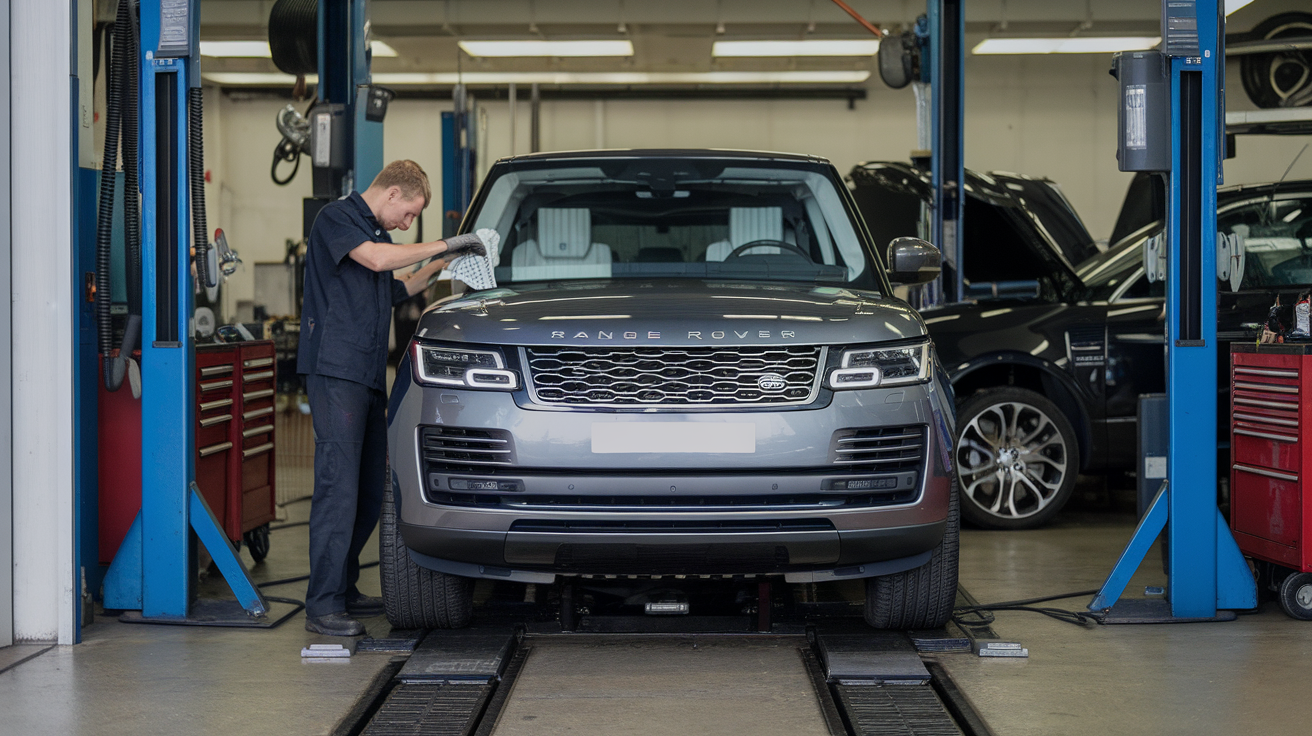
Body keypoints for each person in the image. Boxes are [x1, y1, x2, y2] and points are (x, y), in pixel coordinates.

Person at [297, 159, 485, 636]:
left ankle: (343, 587)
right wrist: (450, 240)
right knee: (338, 487)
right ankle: (321, 606)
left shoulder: (376, 237)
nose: (407, 224)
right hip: (334, 373)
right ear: (393, 194)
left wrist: (445, 265)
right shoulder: (337, 219)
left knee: (367, 490)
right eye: (408, 214)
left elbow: (399, 283)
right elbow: (381, 262)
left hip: (364, 375)